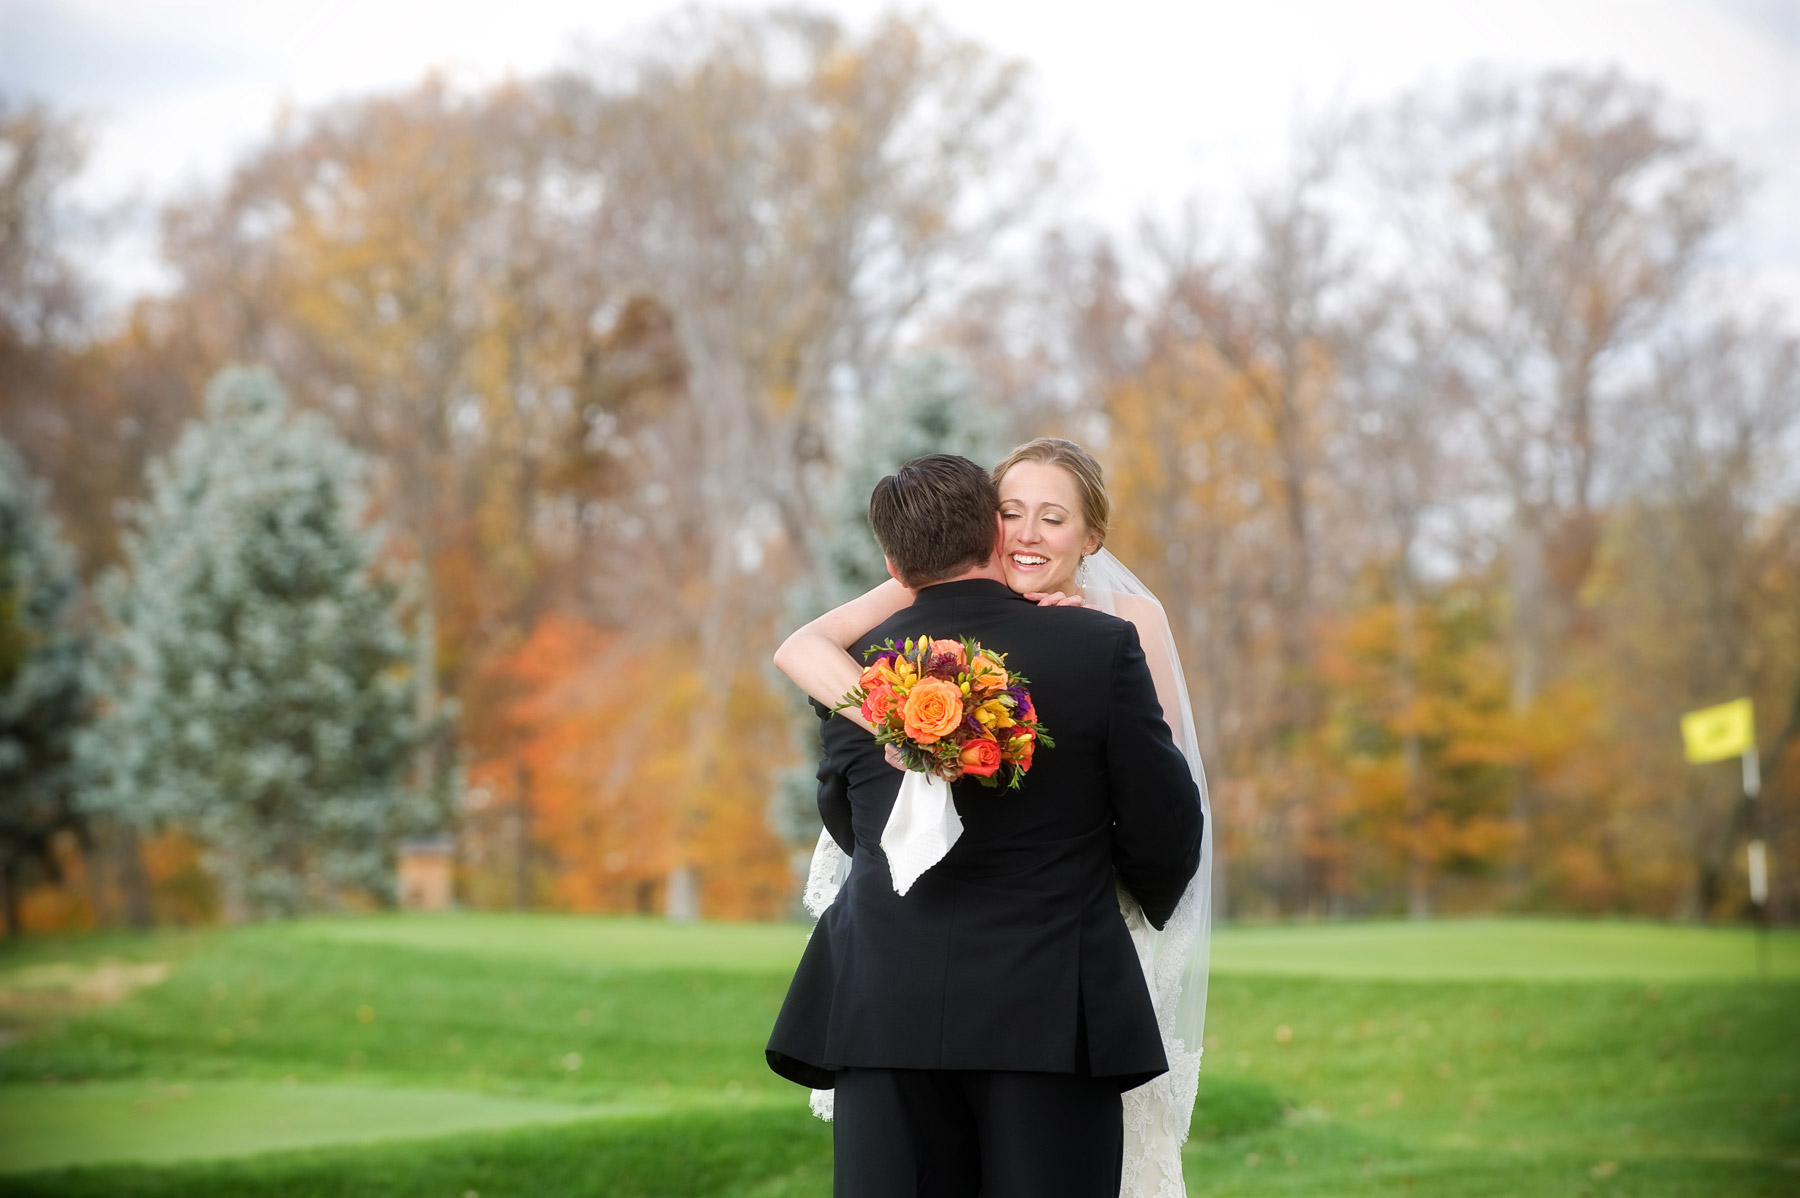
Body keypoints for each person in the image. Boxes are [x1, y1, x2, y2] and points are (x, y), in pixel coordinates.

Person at [774, 438, 1214, 1198]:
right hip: (1050, 1006)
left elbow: (848, 820)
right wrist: (1120, 891)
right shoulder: (1101, 646)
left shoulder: (864, 666)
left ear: (893, 562)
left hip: (885, 1007)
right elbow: (1165, 821)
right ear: (991, 530)